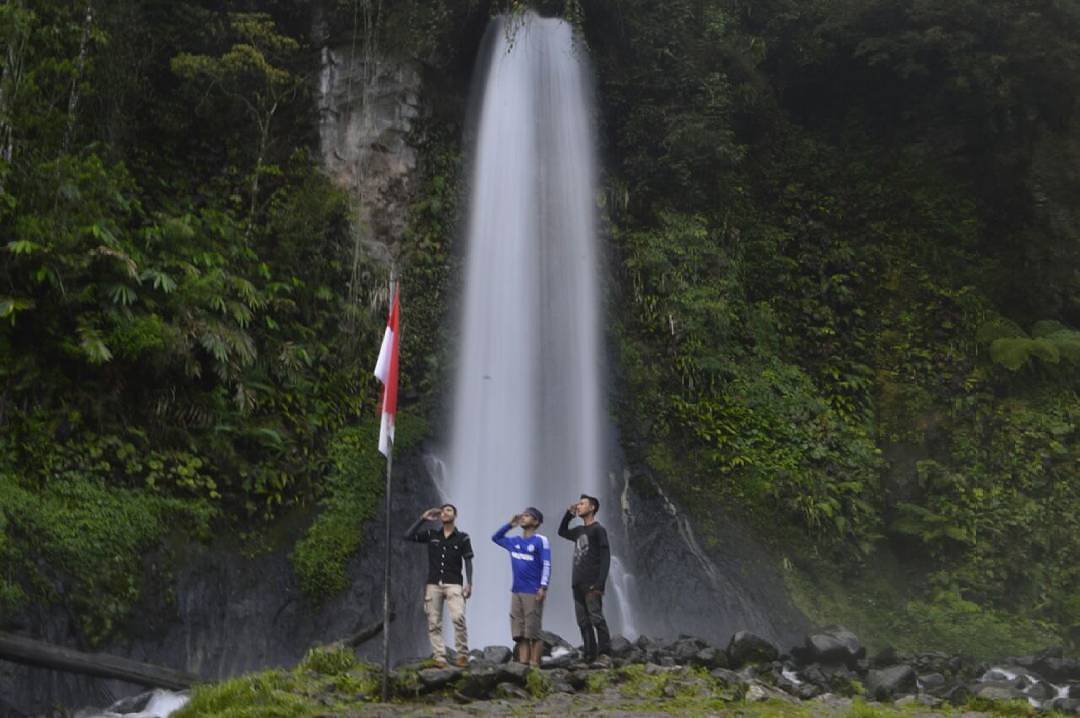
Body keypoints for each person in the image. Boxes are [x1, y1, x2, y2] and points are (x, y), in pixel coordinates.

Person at [404, 504, 474, 668]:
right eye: (443, 510)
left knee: (458, 617)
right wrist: (423, 518)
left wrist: (469, 583)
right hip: (434, 583)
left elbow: (468, 561)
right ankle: (439, 656)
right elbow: (407, 536)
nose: (445, 512)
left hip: (454, 583)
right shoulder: (432, 535)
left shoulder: (463, 538)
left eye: (449, 510)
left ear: (455, 515)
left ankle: (462, 654)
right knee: (433, 622)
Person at [491, 507, 551, 668]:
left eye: (527, 516)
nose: (523, 518)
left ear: (536, 521)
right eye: (523, 515)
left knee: (533, 630)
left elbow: (546, 564)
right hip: (516, 590)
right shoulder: (514, 541)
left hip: (533, 590)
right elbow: (495, 538)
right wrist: (510, 525)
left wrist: (543, 587)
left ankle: (535, 664)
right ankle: (523, 664)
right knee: (519, 632)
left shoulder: (540, 540)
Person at [558, 494, 611, 664]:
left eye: (582, 504)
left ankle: (605, 653)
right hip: (577, 582)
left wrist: (600, 583)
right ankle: (589, 654)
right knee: (582, 620)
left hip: (592, 582)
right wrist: (568, 515)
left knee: (596, 617)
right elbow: (561, 532)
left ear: (592, 507)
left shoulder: (598, 530)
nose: (578, 506)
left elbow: (606, 557)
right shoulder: (579, 531)